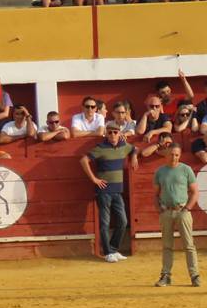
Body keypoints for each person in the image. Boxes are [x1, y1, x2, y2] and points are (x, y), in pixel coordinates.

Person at [80, 120, 139, 263]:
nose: (112, 135)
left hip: (117, 191)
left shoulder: (124, 146)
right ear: (106, 133)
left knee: (123, 222)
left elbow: (134, 148)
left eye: (115, 132)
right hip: (104, 192)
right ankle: (107, 252)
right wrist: (94, 179)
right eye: (110, 132)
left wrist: (134, 156)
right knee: (105, 223)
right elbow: (83, 160)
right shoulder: (100, 147)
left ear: (119, 133)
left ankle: (113, 249)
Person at [153, 143, 200, 287]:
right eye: (171, 154)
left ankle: (194, 275)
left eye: (177, 155)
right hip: (166, 211)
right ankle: (166, 275)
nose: (174, 157)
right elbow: (155, 194)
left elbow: (195, 192)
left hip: (182, 211)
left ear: (179, 155)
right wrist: (158, 208)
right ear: (166, 155)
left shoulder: (186, 170)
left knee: (189, 245)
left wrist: (187, 208)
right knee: (167, 245)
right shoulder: (160, 171)